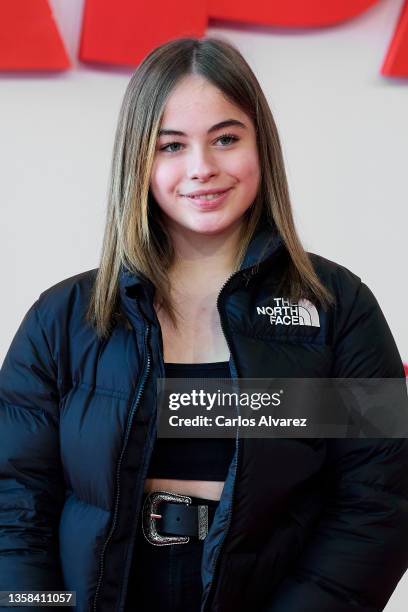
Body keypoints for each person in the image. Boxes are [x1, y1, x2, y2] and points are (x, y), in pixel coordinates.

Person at [0, 36, 407, 612]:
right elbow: (15, 506)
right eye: (171, 145)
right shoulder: (62, 318)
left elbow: (379, 501)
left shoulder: (338, 308)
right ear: (137, 159)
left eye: (225, 138)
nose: (202, 168)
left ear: (259, 145)